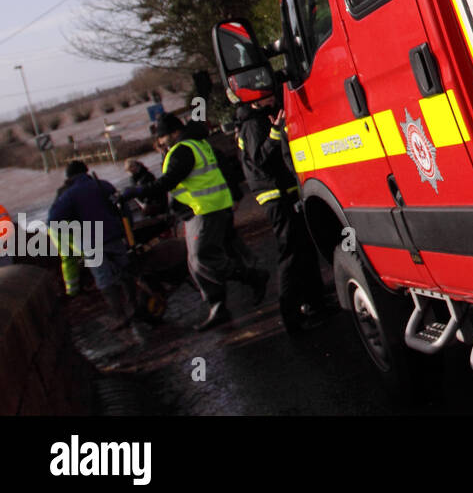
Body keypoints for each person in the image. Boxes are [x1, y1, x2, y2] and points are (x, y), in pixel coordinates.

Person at [121, 114, 267, 331]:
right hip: (204, 210)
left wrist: (137, 191)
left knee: (202, 259)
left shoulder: (182, 150)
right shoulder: (196, 145)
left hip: (205, 210)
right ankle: (218, 306)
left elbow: (169, 181)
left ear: (173, 133)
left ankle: (252, 278)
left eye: (162, 137)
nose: (160, 142)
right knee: (196, 262)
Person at [233, 92, 329, 333]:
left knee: (304, 249)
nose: (272, 101)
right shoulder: (253, 123)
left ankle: (316, 303)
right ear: (256, 100)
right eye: (267, 98)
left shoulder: (257, 118)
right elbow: (260, 159)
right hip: (275, 197)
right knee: (290, 254)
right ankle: (291, 315)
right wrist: (276, 131)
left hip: (286, 193)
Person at [47, 161, 137, 328]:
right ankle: (136, 306)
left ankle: (120, 316)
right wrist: (127, 229)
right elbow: (123, 208)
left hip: (90, 243)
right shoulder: (103, 185)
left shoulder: (69, 195)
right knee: (125, 270)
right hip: (114, 236)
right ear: (86, 171)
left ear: (69, 177)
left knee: (104, 279)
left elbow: (52, 219)